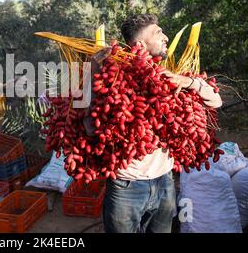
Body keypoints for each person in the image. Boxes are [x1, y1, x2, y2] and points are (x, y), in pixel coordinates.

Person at [86, 13, 222, 233]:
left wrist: (188, 82)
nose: (166, 37)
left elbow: (215, 101)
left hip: (164, 182)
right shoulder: (112, 79)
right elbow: (90, 128)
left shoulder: (171, 77)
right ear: (140, 44)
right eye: (158, 32)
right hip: (126, 186)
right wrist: (93, 73)